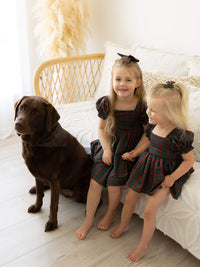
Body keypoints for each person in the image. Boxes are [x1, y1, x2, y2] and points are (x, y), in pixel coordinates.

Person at [110, 81, 195, 262]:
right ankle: (124, 225)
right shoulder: (152, 126)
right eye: (149, 107)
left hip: (166, 173)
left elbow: (189, 161)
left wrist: (172, 178)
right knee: (130, 197)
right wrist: (135, 153)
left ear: (171, 113)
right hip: (146, 166)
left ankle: (144, 245)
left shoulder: (179, 136)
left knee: (149, 211)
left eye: (154, 110)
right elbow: (149, 142)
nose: (148, 112)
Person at [75, 53, 149, 240]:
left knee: (114, 183)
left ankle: (109, 214)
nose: (122, 84)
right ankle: (88, 220)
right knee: (96, 182)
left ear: (137, 83)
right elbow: (100, 129)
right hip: (110, 145)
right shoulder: (107, 103)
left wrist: (136, 152)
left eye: (128, 79)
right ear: (112, 80)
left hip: (128, 150)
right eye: (118, 79)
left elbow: (148, 134)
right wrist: (106, 149)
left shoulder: (142, 107)